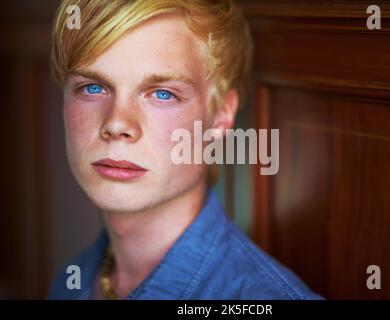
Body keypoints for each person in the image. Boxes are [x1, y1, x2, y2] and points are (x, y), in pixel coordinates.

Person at [48, 0, 322, 300]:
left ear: (220, 116)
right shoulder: (71, 279)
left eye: (163, 94)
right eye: (92, 87)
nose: (116, 124)